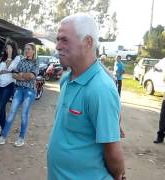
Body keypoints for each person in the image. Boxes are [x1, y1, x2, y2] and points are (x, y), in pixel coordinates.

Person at [47, 13, 125, 180]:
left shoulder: (101, 89)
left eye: (64, 40)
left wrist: (118, 176)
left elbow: (113, 153)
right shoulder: (66, 79)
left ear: (88, 42)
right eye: (58, 39)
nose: (58, 46)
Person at [0, 42, 38, 147]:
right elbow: (13, 75)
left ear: (33, 51)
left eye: (29, 49)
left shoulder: (36, 61)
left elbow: (32, 76)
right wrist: (22, 76)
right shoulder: (21, 61)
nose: (27, 51)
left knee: (24, 114)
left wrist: (20, 75)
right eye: (25, 49)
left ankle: (21, 138)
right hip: (19, 89)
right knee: (12, 112)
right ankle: (3, 137)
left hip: (30, 91)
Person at [0, 41, 21, 139]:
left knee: (1, 106)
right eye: (6, 48)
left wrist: (9, 56)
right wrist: (3, 71)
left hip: (9, 85)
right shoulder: (1, 58)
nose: (7, 50)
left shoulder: (17, 58)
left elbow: (10, 68)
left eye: (9, 48)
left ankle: (2, 129)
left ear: (13, 49)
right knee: (1, 108)